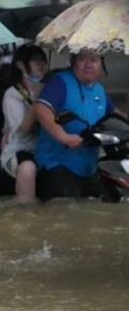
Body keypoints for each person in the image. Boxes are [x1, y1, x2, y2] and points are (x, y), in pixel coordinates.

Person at [33, 51, 118, 201]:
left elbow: (116, 117)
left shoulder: (99, 90)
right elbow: (41, 108)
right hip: (57, 165)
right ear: (73, 61)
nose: (88, 65)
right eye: (82, 59)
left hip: (88, 167)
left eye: (94, 60)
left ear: (101, 63)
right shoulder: (60, 81)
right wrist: (63, 137)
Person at [0, 44, 48, 203]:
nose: (41, 65)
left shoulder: (48, 88)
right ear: (21, 65)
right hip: (20, 149)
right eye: (35, 61)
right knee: (28, 168)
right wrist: (39, 101)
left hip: (46, 148)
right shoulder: (12, 95)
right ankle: (25, 208)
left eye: (43, 61)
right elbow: (24, 128)